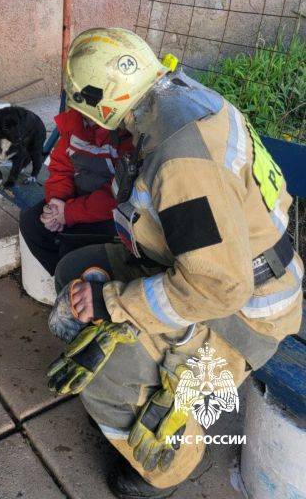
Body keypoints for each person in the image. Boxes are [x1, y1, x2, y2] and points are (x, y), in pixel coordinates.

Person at [45, 28, 303, 498]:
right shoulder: (175, 96)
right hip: (220, 273)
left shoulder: (181, 159)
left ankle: (163, 466)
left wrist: (112, 304)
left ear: (104, 103)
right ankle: (140, 388)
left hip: (246, 315)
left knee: (105, 367)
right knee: (74, 268)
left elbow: (217, 288)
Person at [18, 100, 134, 300]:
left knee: (74, 243)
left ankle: (84, 298)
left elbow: (120, 194)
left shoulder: (127, 134)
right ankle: (66, 287)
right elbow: (61, 169)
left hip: (113, 211)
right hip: (76, 202)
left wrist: (68, 213)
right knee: (31, 223)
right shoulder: (74, 124)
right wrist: (55, 204)